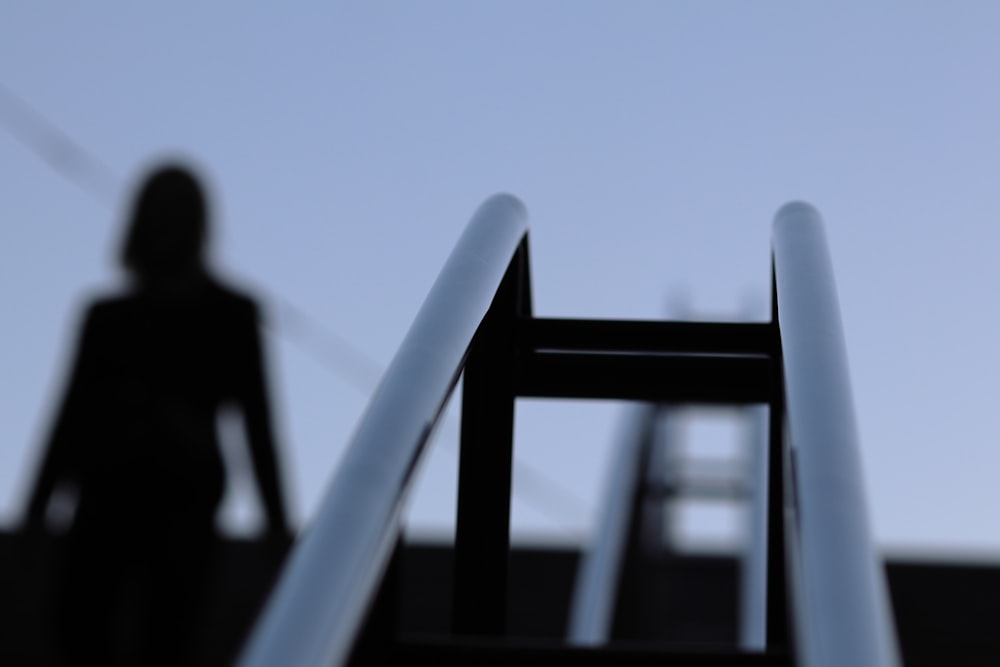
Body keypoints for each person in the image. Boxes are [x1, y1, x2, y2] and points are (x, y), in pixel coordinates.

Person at [22, 163, 292, 665]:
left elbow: (258, 426)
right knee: (81, 628)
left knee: (166, 636)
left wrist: (277, 530)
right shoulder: (106, 317)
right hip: (107, 500)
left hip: (180, 504)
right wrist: (34, 519)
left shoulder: (231, 314)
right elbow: (68, 423)